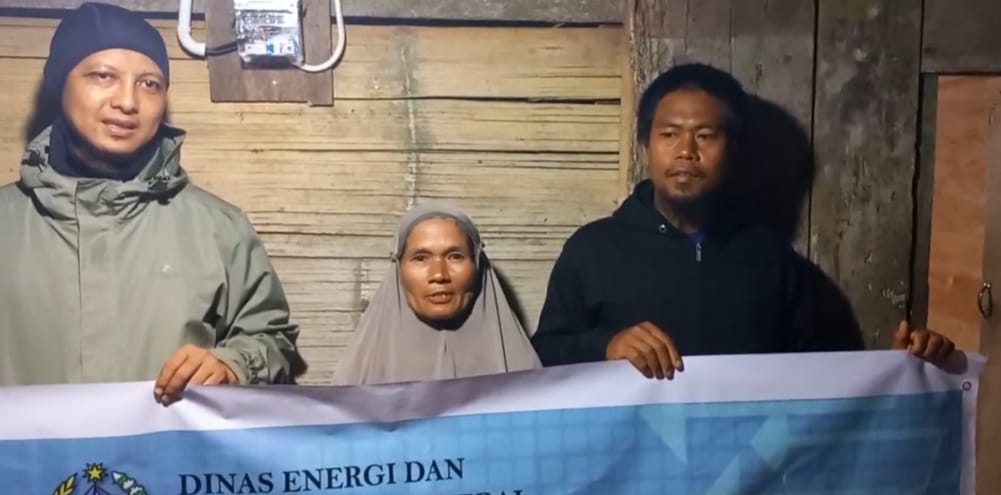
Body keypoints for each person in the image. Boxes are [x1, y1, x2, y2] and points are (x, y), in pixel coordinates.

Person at [531, 62, 954, 379]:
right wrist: (606, 346)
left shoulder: (770, 258)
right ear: (646, 145)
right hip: (631, 465)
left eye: (705, 135)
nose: (686, 151)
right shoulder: (593, 249)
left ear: (732, 149)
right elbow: (541, 356)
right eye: (669, 133)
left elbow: (824, 380)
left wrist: (901, 370)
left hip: (747, 468)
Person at [0, 2, 306, 402]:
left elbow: (272, 340)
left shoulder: (217, 228)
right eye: (104, 76)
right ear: (60, 85)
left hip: (170, 446)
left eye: (149, 84)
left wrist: (234, 364)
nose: (128, 102)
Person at [333, 202, 540, 386]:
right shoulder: (359, 374)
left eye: (455, 256)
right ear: (399, 268)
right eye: (420, 258)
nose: (439, 275)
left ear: (477, 264)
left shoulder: (524, 370)